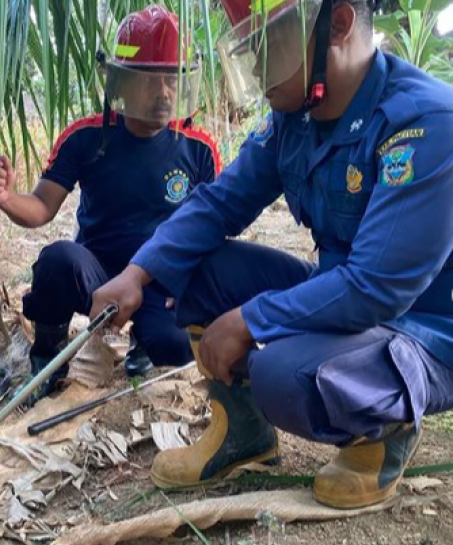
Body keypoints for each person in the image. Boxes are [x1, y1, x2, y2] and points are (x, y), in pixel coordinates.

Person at [90, 0, 453, 509]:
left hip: (423, 332)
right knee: (193, 271)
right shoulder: (295, 116)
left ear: (339, 23)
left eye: (267, 42)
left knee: (282, 374)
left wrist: (250, 320)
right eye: (248, 48)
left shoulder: (427, 121)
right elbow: (218, 203)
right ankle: (242, 435)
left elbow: (377, 286)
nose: (256, 66)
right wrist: (137, 273)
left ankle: (383, 434)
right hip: (346, 300)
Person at [0, 5, 221, 402]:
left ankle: (146, 341)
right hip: (99, 273)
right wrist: (3, 197)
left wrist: (193, 282)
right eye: (150, 79)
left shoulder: (199, 149)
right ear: (119, 82)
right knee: (58, 261)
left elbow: (215, 226)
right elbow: (40, 207)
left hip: (162, 277)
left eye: (173, 79)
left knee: (175, 348)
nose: (164, 92)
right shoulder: (87, 137)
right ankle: (48, 353)